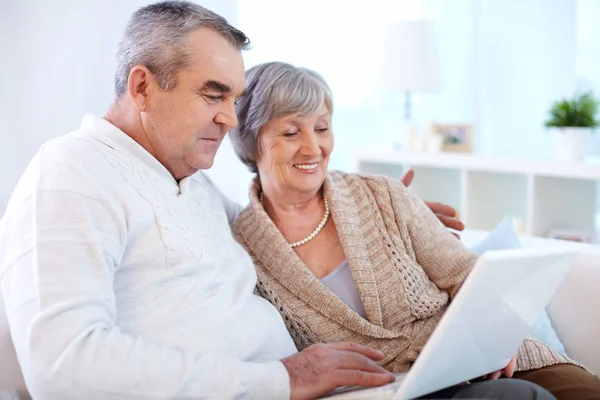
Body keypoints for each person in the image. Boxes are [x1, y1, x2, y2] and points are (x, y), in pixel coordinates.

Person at [0, 2, 557, 400]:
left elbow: (279, 227)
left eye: (235, 99)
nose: (228, 116)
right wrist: (282, 379)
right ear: (142, 87)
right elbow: (63, 367)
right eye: (213, 95)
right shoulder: (72, 173)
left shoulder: (189, 185)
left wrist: (388, 214)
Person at [229, 61, 600, 400]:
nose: (313, 147)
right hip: (399, 390)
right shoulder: (241, 250)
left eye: (322, 128)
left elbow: (464, 273)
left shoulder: (381, 194)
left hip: (484, 356)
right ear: (251, 140)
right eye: (292, 132)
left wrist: (497, 334)